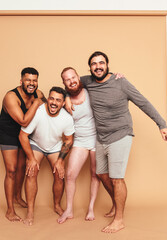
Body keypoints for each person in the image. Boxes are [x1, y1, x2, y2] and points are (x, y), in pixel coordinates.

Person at [67, 51, 167, 233]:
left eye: (101, 63)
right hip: (101, 137)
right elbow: (70, 83)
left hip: (121, 134)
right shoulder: (88, 81)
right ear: (90, 67)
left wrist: (161, 124)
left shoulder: (120, 82)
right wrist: (66, 96)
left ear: (107, 65)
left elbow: (143, 102)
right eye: (94, 64)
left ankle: (119, 219)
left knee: (116, 178)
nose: (98, 66)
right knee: (101, 174)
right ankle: (117, 204)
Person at [57, 67, 114, 224]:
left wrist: (117, 75)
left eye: (73, 77)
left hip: (97, 139)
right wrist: (66, 97)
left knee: (95, 174)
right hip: (80, 141)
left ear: (78, 76)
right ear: (64, 83)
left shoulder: (90, 89)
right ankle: (69, 210)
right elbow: (51, 103)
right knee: (70, 175)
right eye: (67, 79)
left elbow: (103, 76)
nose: (72, 81)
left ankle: (90, 208)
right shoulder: (63, 99)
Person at [19, 87, 75, 226]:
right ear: (48, 99)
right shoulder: (38, 112)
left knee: (59, 174)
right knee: (31, 172)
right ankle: (30, 211)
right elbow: (23, 135)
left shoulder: (67, 118)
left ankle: (56, 205)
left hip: (55, 147)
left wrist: (61, 160)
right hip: (36, 144)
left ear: (63, 103)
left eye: (58, 100)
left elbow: (68, 140)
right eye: (51, 98)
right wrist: (31, 158)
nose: (53, 102)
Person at [0, 67, 46, 222]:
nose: (31, 83)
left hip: (24, 134)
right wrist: (37, 102)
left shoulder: (39, 94)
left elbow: (49, 106)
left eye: (34, 80)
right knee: (11, 170)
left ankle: (17, 197)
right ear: (21, 81)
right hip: (9, 133)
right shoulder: (11, 97)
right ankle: (10, 210)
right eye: (28, 80)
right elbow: (23, 120)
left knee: (23, 167)